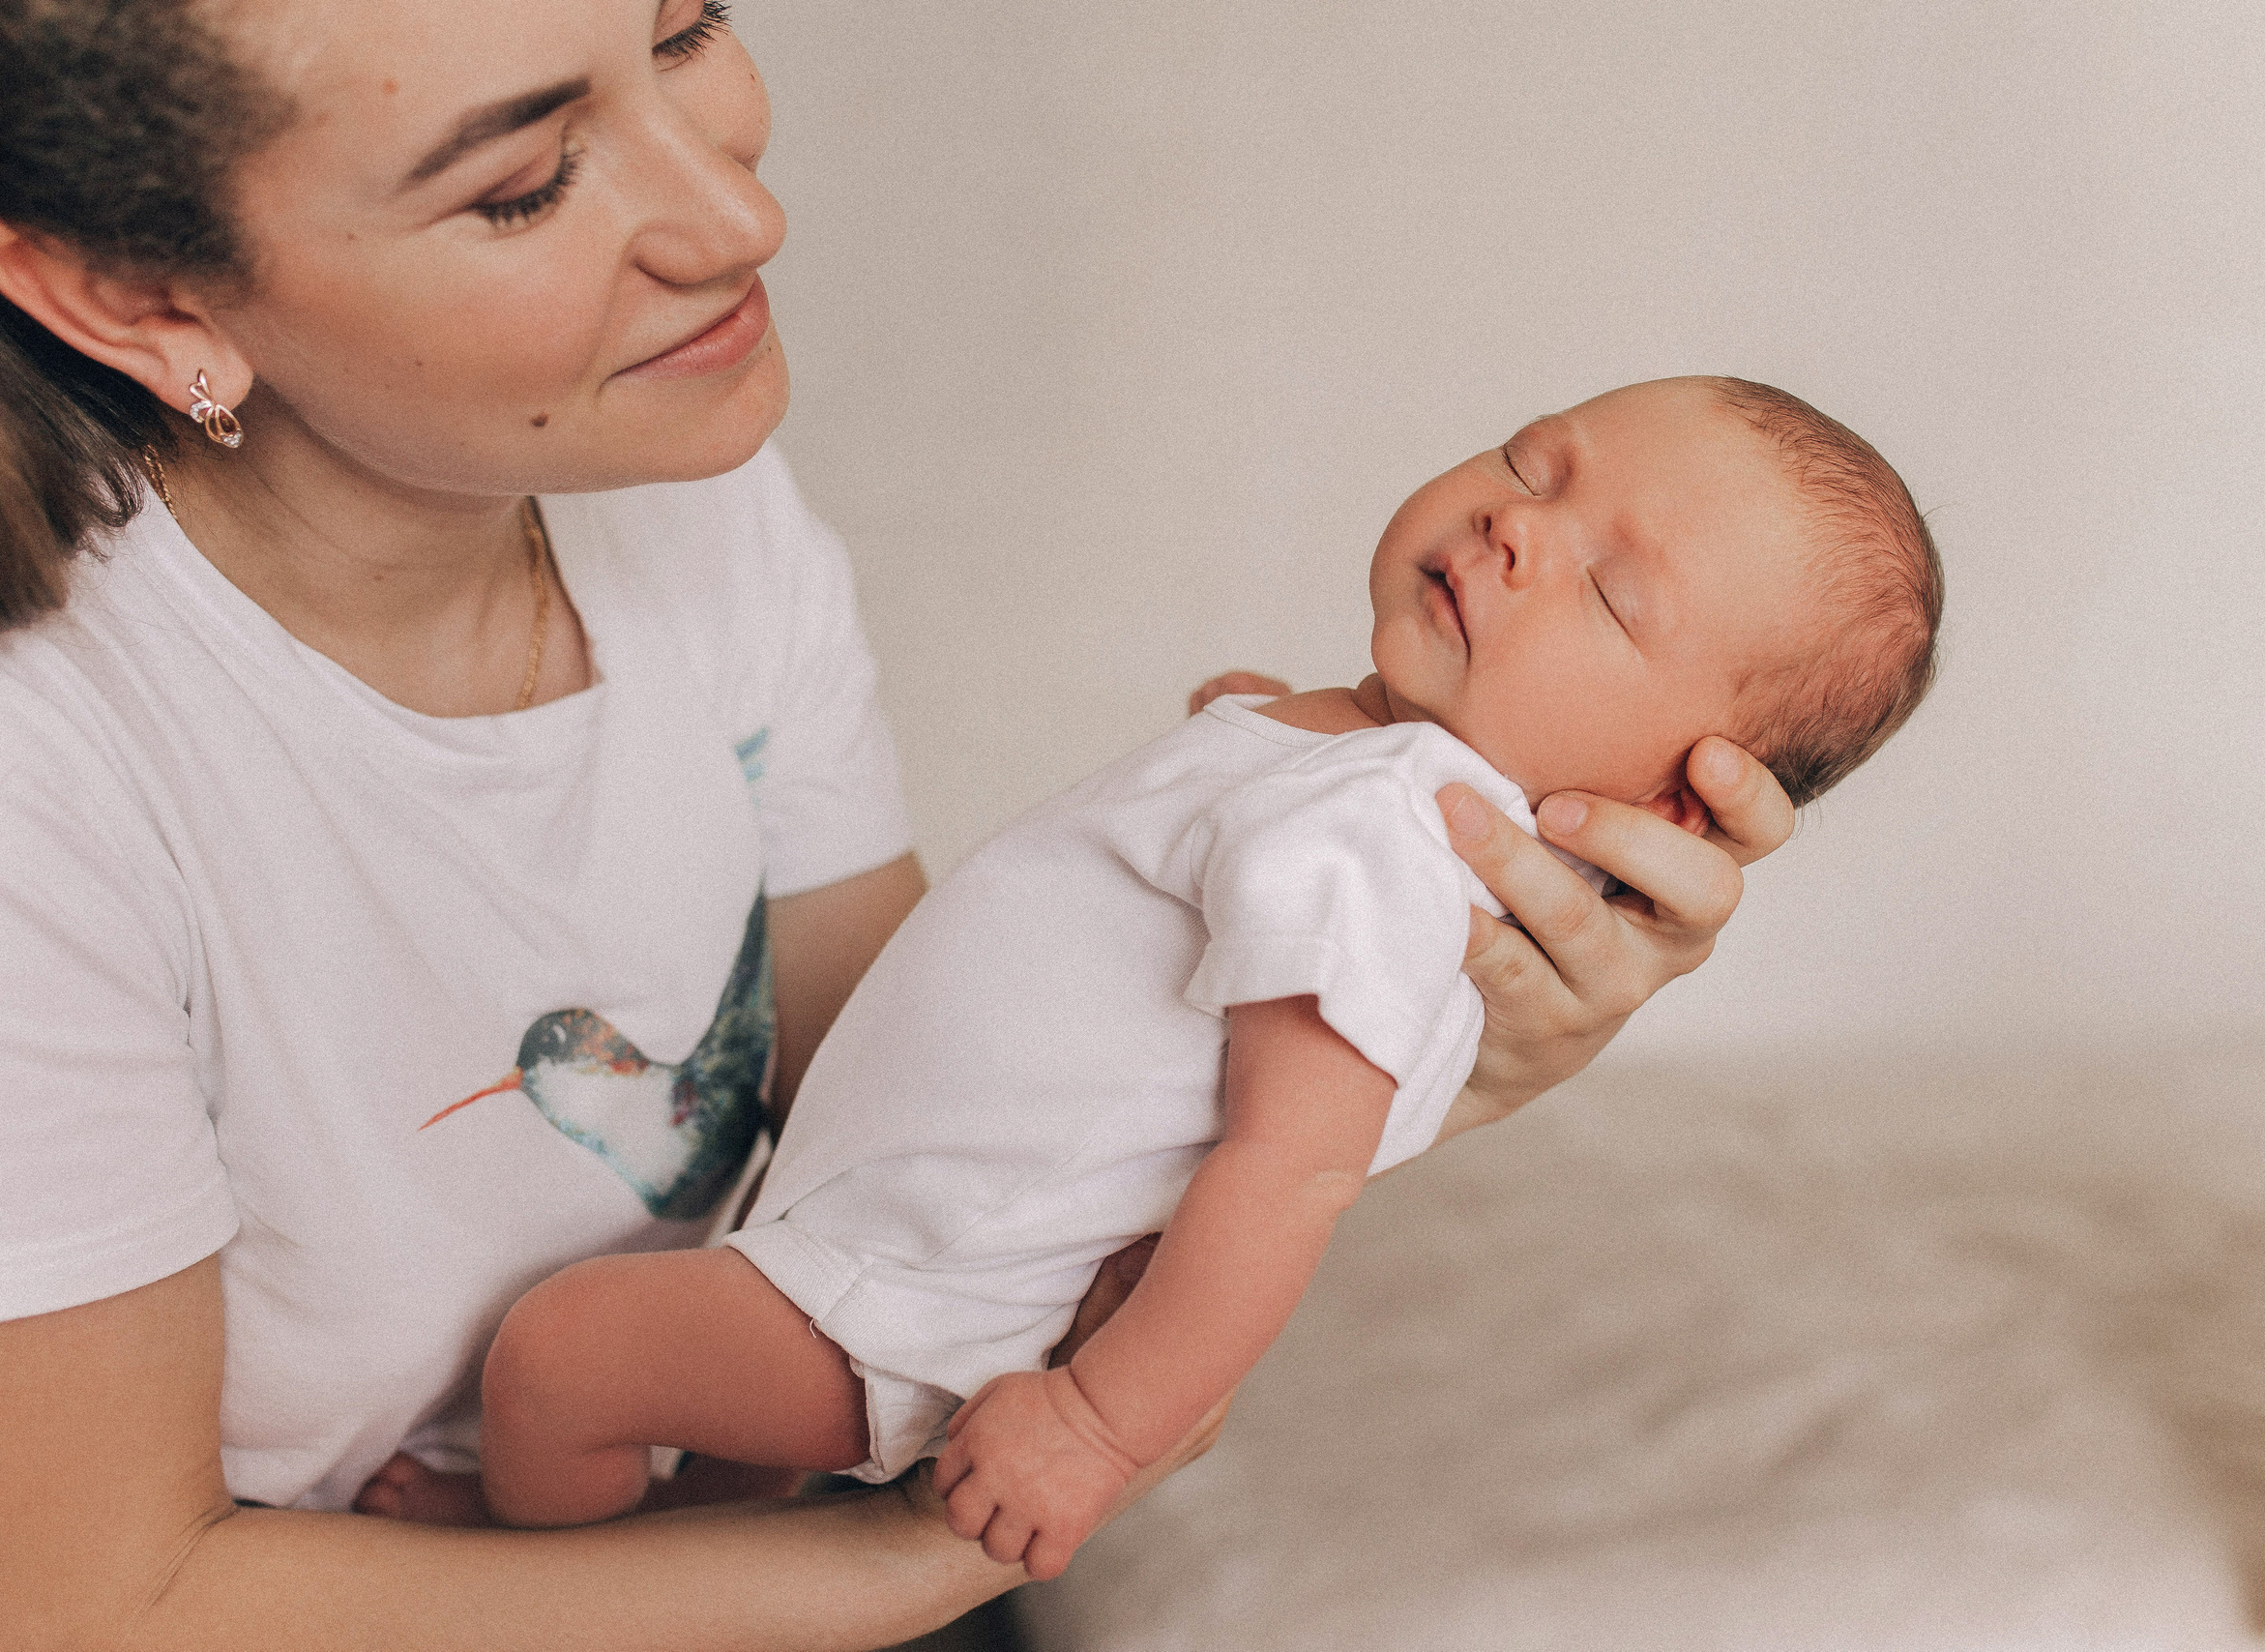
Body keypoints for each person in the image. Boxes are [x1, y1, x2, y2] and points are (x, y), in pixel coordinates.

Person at [0, 2, 1798, 1648]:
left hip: (750, 1485)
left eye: (688, 25)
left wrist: (1419, 1041)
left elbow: (922, 1092)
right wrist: (934, 1550)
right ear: (145, 302)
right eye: (527, 184)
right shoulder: (55, 779)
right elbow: (105, 1600)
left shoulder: (682, 495)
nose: (737, 218)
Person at [461, 376, 1941, 1578]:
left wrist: (1100, 1428)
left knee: (562, 1359)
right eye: (1531, 464)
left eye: (1613, 595)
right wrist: (1238, 738)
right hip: (880, 1228)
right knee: (729, 1474)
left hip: (916, 1289)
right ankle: (666, 1549)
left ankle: (526, 1578)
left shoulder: (1373, 837)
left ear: (1676, 804)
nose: (1515, 531)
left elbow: (1285, 1173)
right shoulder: (1349, 775)